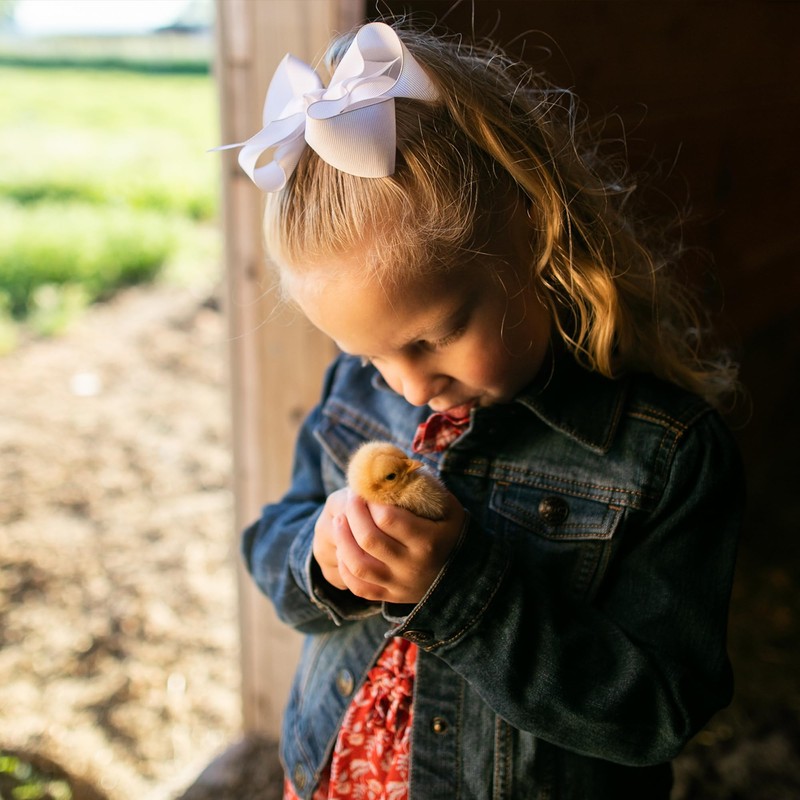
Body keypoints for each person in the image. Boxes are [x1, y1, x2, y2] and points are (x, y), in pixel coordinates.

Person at [226, 19, 744, 800]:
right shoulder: (356, 391)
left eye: (435, 337)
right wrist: (322, 558)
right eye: (370, 356)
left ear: (531, 233)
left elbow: (656, 713)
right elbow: (269, 540)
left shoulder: (664, 456)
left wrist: (464, 590)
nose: (404, 386)